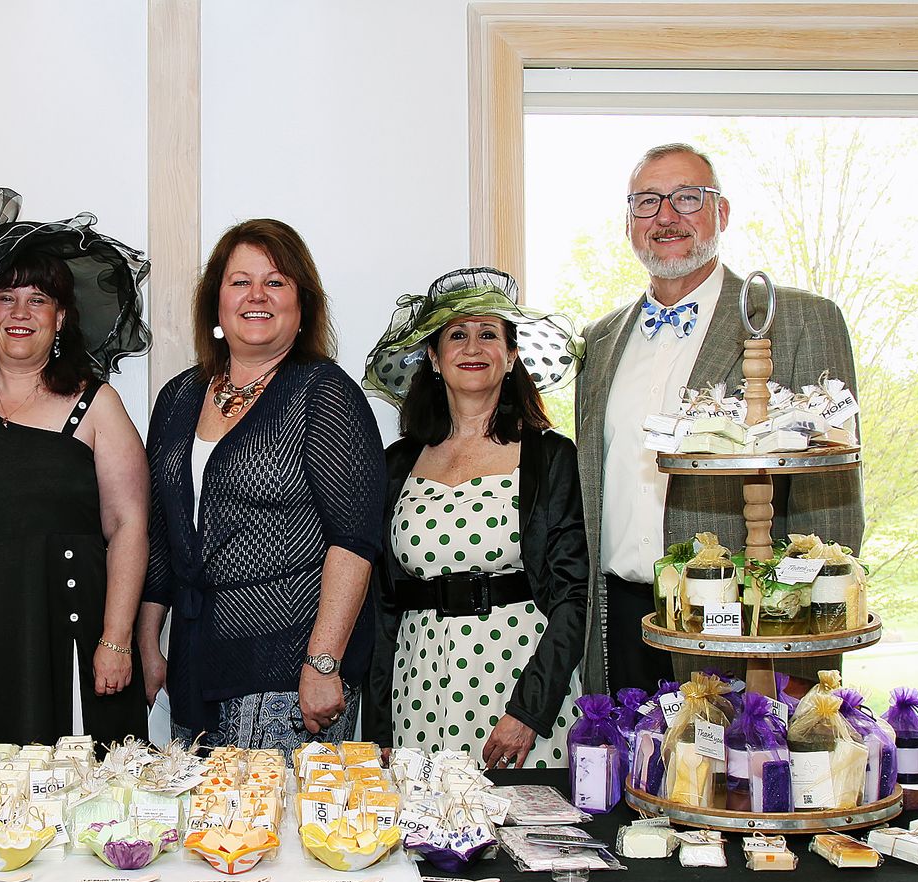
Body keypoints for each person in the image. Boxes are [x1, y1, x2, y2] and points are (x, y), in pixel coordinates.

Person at [574, 142, 861, 692]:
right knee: (629, 752)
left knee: (732, 752)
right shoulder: (601, 340)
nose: (666, 216)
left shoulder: (798, 320)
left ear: (721, 212)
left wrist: (800, 657)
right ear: (629, 222)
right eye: (647, 202)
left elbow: (832, 500)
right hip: (619, 619)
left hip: (744, 625)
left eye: (687, 198)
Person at [0, 186, 152, 749]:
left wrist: (116, 637)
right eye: (5, 298)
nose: (20, 313)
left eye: (38, 300)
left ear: (61, 318)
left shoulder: (97, 405)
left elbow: (130, 526)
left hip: (75, 642)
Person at [137, 220, 383, 748]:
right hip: (193, 664)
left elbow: (354, 541)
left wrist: (324, 660)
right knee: (198, 806)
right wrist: (147, 642)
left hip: (290, 671)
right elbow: (161, 535)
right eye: (240, 281)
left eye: (275, 282)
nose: (256, 296)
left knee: (277, 807)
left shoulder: (324, 393)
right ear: (216, 301)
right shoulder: (178, 398)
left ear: (302, 303)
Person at [361, 268, 589, 766]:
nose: (472, 347)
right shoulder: (396, 464)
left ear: (511, 356)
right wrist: (377, 726)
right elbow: (380, 606)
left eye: (489, 334)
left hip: (518, 686)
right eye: (456, 335)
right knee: (424, 816)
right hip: (416, 686)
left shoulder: (551, 457)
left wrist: (529, 711)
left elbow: (574, 596)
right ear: (433, 357)